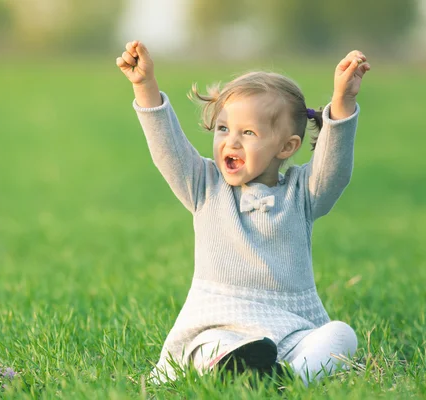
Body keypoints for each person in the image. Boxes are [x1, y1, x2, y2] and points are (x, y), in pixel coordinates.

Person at [116, 40, 371, 385]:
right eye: (223, 129)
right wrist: (144, 86)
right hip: (220, 324)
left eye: (248, 133)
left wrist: (343, 101)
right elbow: (168, 148)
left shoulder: (302, 194)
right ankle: (234, 367)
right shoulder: (204, 185)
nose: (230, 143)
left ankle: (288, 377)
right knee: (209, 346)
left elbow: (334, 169)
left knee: (340, 335)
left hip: (290, 327)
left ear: (287, 146)